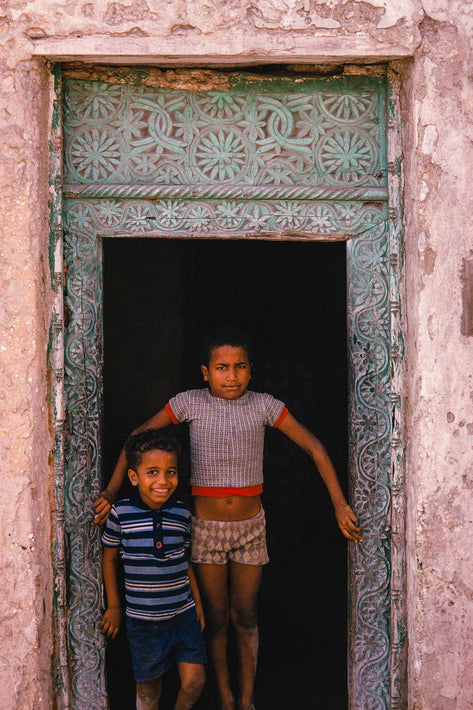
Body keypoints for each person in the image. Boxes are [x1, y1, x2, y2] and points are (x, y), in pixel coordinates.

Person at [95, 326, 362, 710]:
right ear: (205, 372)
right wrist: (111, 490)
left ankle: (247, 701)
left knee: (246, 616)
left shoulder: (265, 406)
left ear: (251, 370)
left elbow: (315, 448)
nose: (231, 375)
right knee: (217, 618)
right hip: (205, 530)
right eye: (221, 368)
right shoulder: (189, 403)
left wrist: (339, 504)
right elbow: (137, 437)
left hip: (251, 528)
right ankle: (225, 697)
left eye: (239, 367)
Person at [100, 430, 206, 710]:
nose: (163, 481)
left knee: (195, 680)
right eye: (152, 472)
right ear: (134, 478)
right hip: (143, 621)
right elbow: (109, 559)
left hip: (183, 615)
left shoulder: (181, 513)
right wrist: (113, 606)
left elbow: (185, 560)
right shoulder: (121, 514)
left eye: (170, 472)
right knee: (148, 691)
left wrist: (197, 603)